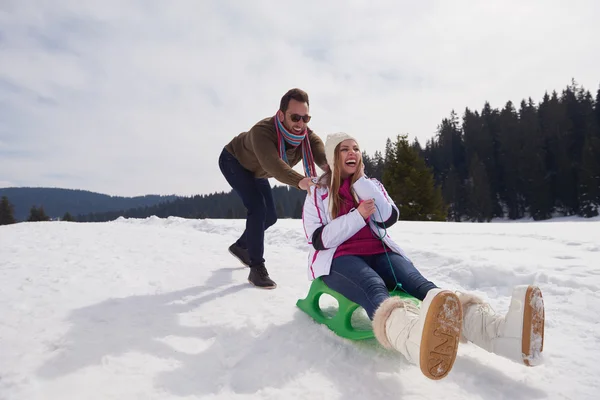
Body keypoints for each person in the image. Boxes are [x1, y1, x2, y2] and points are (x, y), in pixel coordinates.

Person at [302, 132, 545, 380]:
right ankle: (411, 339)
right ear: (333, 157)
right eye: (344, 149)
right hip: (338, 259)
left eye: (356, 148)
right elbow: (320, 239)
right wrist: (357, 216)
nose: (352, 152)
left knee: (423, 287)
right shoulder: (317, 194)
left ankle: (503, 335)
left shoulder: (369, 185)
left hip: (379, 251)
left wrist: (363, 187)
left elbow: (388, 217)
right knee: (373, 287)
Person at [219, 88, 328, 289]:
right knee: (258, 209)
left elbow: (322, 157)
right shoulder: (262, 132)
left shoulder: (307, 138)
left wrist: (333, 170)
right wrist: (302, 181)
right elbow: (274, 166)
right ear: (281, 115)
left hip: (257, 172)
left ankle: (242, 246)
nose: (300, 124)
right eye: (295, 117)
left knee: (270, 217)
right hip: (234, 161)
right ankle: (257, 268)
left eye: (305, 118)